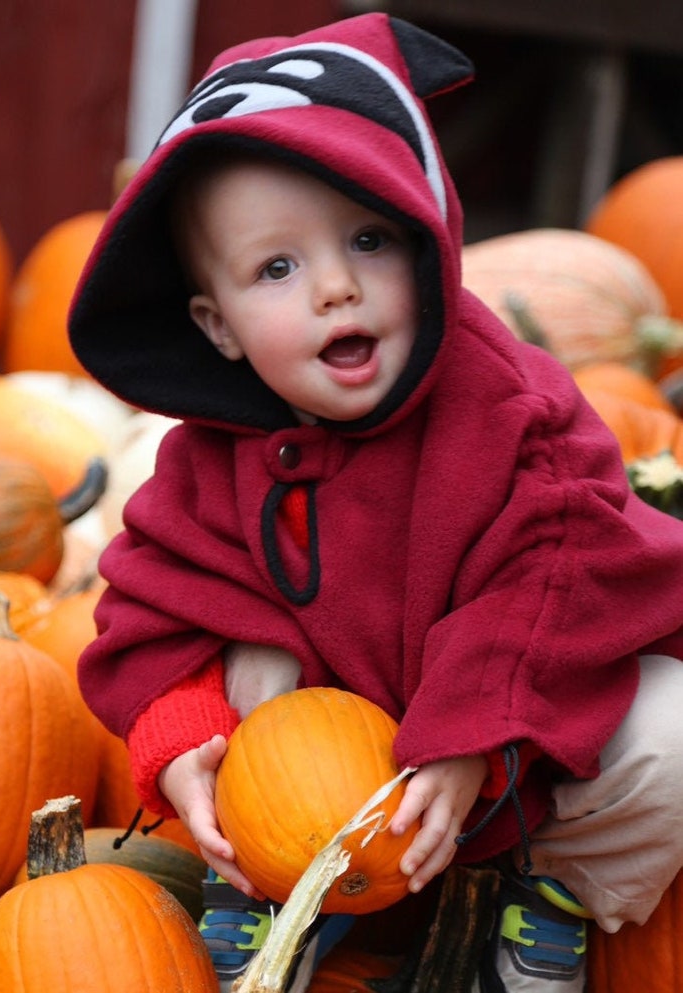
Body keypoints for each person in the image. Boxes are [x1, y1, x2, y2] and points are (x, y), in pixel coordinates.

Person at [68, 13, 683, 993]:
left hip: (520, 757)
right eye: (277, 268)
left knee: (670, 730)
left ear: (430, 232)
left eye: (368, 238)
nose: (335, 288)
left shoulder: (511, 411)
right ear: (216, 327)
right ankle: (287, 890)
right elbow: (150, 614)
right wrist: (179, 740)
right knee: (243, 655)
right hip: (335, 783)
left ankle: (554, 897)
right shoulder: (207, 462)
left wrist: (473, 744)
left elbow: (561, 582)